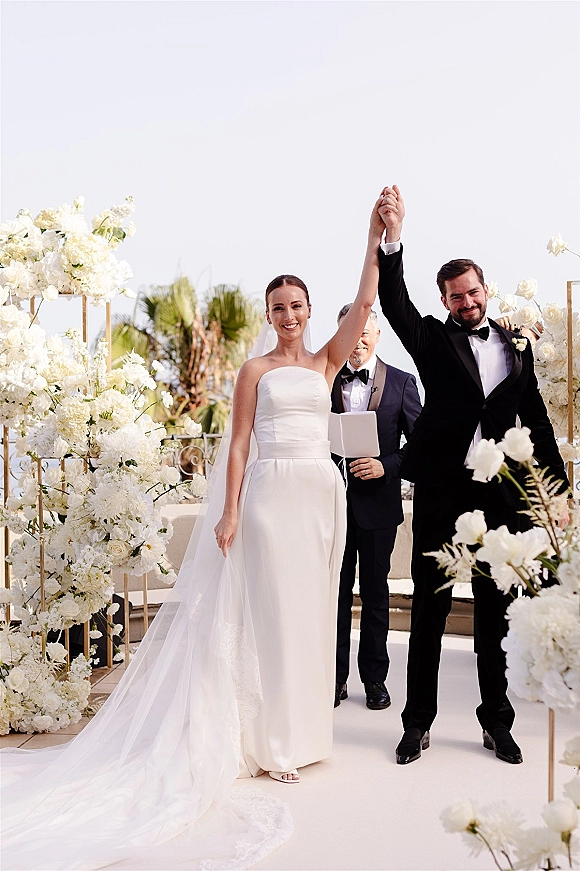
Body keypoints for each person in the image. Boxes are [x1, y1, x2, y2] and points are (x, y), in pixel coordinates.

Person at [1, 192, 385, 871]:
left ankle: (305, 736)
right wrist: (230, 510)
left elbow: (363, 303)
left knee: (312, 616)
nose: (289, 315)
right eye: (278, 307)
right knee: (271, 616)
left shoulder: (326, 361)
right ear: (267, 315)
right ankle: (271, 743)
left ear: (308, 310)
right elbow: (236, 445)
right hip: (270, 497)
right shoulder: (255, 371)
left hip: (321, 497)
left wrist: (374, 237)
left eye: (298, 305)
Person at [375, 185, 569, 767]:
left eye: (473, 292)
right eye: (456, 295)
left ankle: (497, 724)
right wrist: (392, 239)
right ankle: (416, 723)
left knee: (494, 613)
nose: (466, 302)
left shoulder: (517, 345)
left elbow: (536, 422)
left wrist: (555, 492)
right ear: (445, 299)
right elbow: (394, 303)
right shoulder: (431, 339)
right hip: (442, 492)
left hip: (501, 498)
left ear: (486, 290)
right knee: (430, 611)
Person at [331, 305, 421, 710]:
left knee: (375, 596)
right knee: (333, 596)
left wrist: (386, 465)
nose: (358, 341)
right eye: (351, 333)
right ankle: (334, 678)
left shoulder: (402, 382)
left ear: (377, 335)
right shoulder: (323, 380)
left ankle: (374, 680)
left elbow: (420, 447)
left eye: (365, 333)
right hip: (329, 507)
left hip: (379, 509)